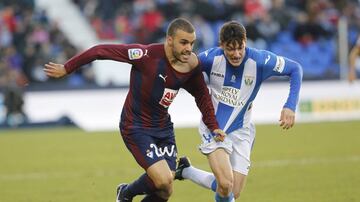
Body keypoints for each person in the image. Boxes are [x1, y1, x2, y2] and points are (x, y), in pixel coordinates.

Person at [43, 18, 226, 202]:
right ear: (169, 40)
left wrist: (213, 126)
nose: (189, 48)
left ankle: (125, 193)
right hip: (136, 126)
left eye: (192, 43)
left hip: (163, 129)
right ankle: (126, 193)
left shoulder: (191, 65)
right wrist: (67, 68)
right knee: (164, 178)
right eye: (184, 42)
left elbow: (202, 96)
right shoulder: (146, 55)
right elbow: (100, 51)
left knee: (165, 189)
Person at [175, 21, 303, 202]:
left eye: (240, 48)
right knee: (226, 185)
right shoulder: (210, 58)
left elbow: (295, 69)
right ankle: (188, 171)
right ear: (221, 45)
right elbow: (182, 67)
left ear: (245, 41)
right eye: (230, 49)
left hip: (243, 130)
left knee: (232, 191)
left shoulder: (260, 60)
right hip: (214, 129)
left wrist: (290, 105)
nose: (236, 54)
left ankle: (186, 171)